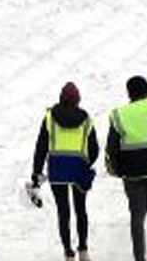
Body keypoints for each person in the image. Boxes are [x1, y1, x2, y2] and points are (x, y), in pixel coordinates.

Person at [106, 76, 147, 261]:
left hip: (132, 173)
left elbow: (112, 147)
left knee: (137, 216)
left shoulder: (119, 114)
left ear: (129, 93)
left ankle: (139, 258)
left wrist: (118, 170)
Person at [33, 81, 99, 260]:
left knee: (63, 212)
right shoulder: (86, 119)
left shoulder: (49, 117)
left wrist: (36, 172)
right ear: (78, 100)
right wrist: (86, 164)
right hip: (78, 169)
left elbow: (41, 147)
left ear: (61, 98)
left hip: (57, 170)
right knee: (81, 209)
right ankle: (83, 250)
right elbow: (94, 150)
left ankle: (68, 252)